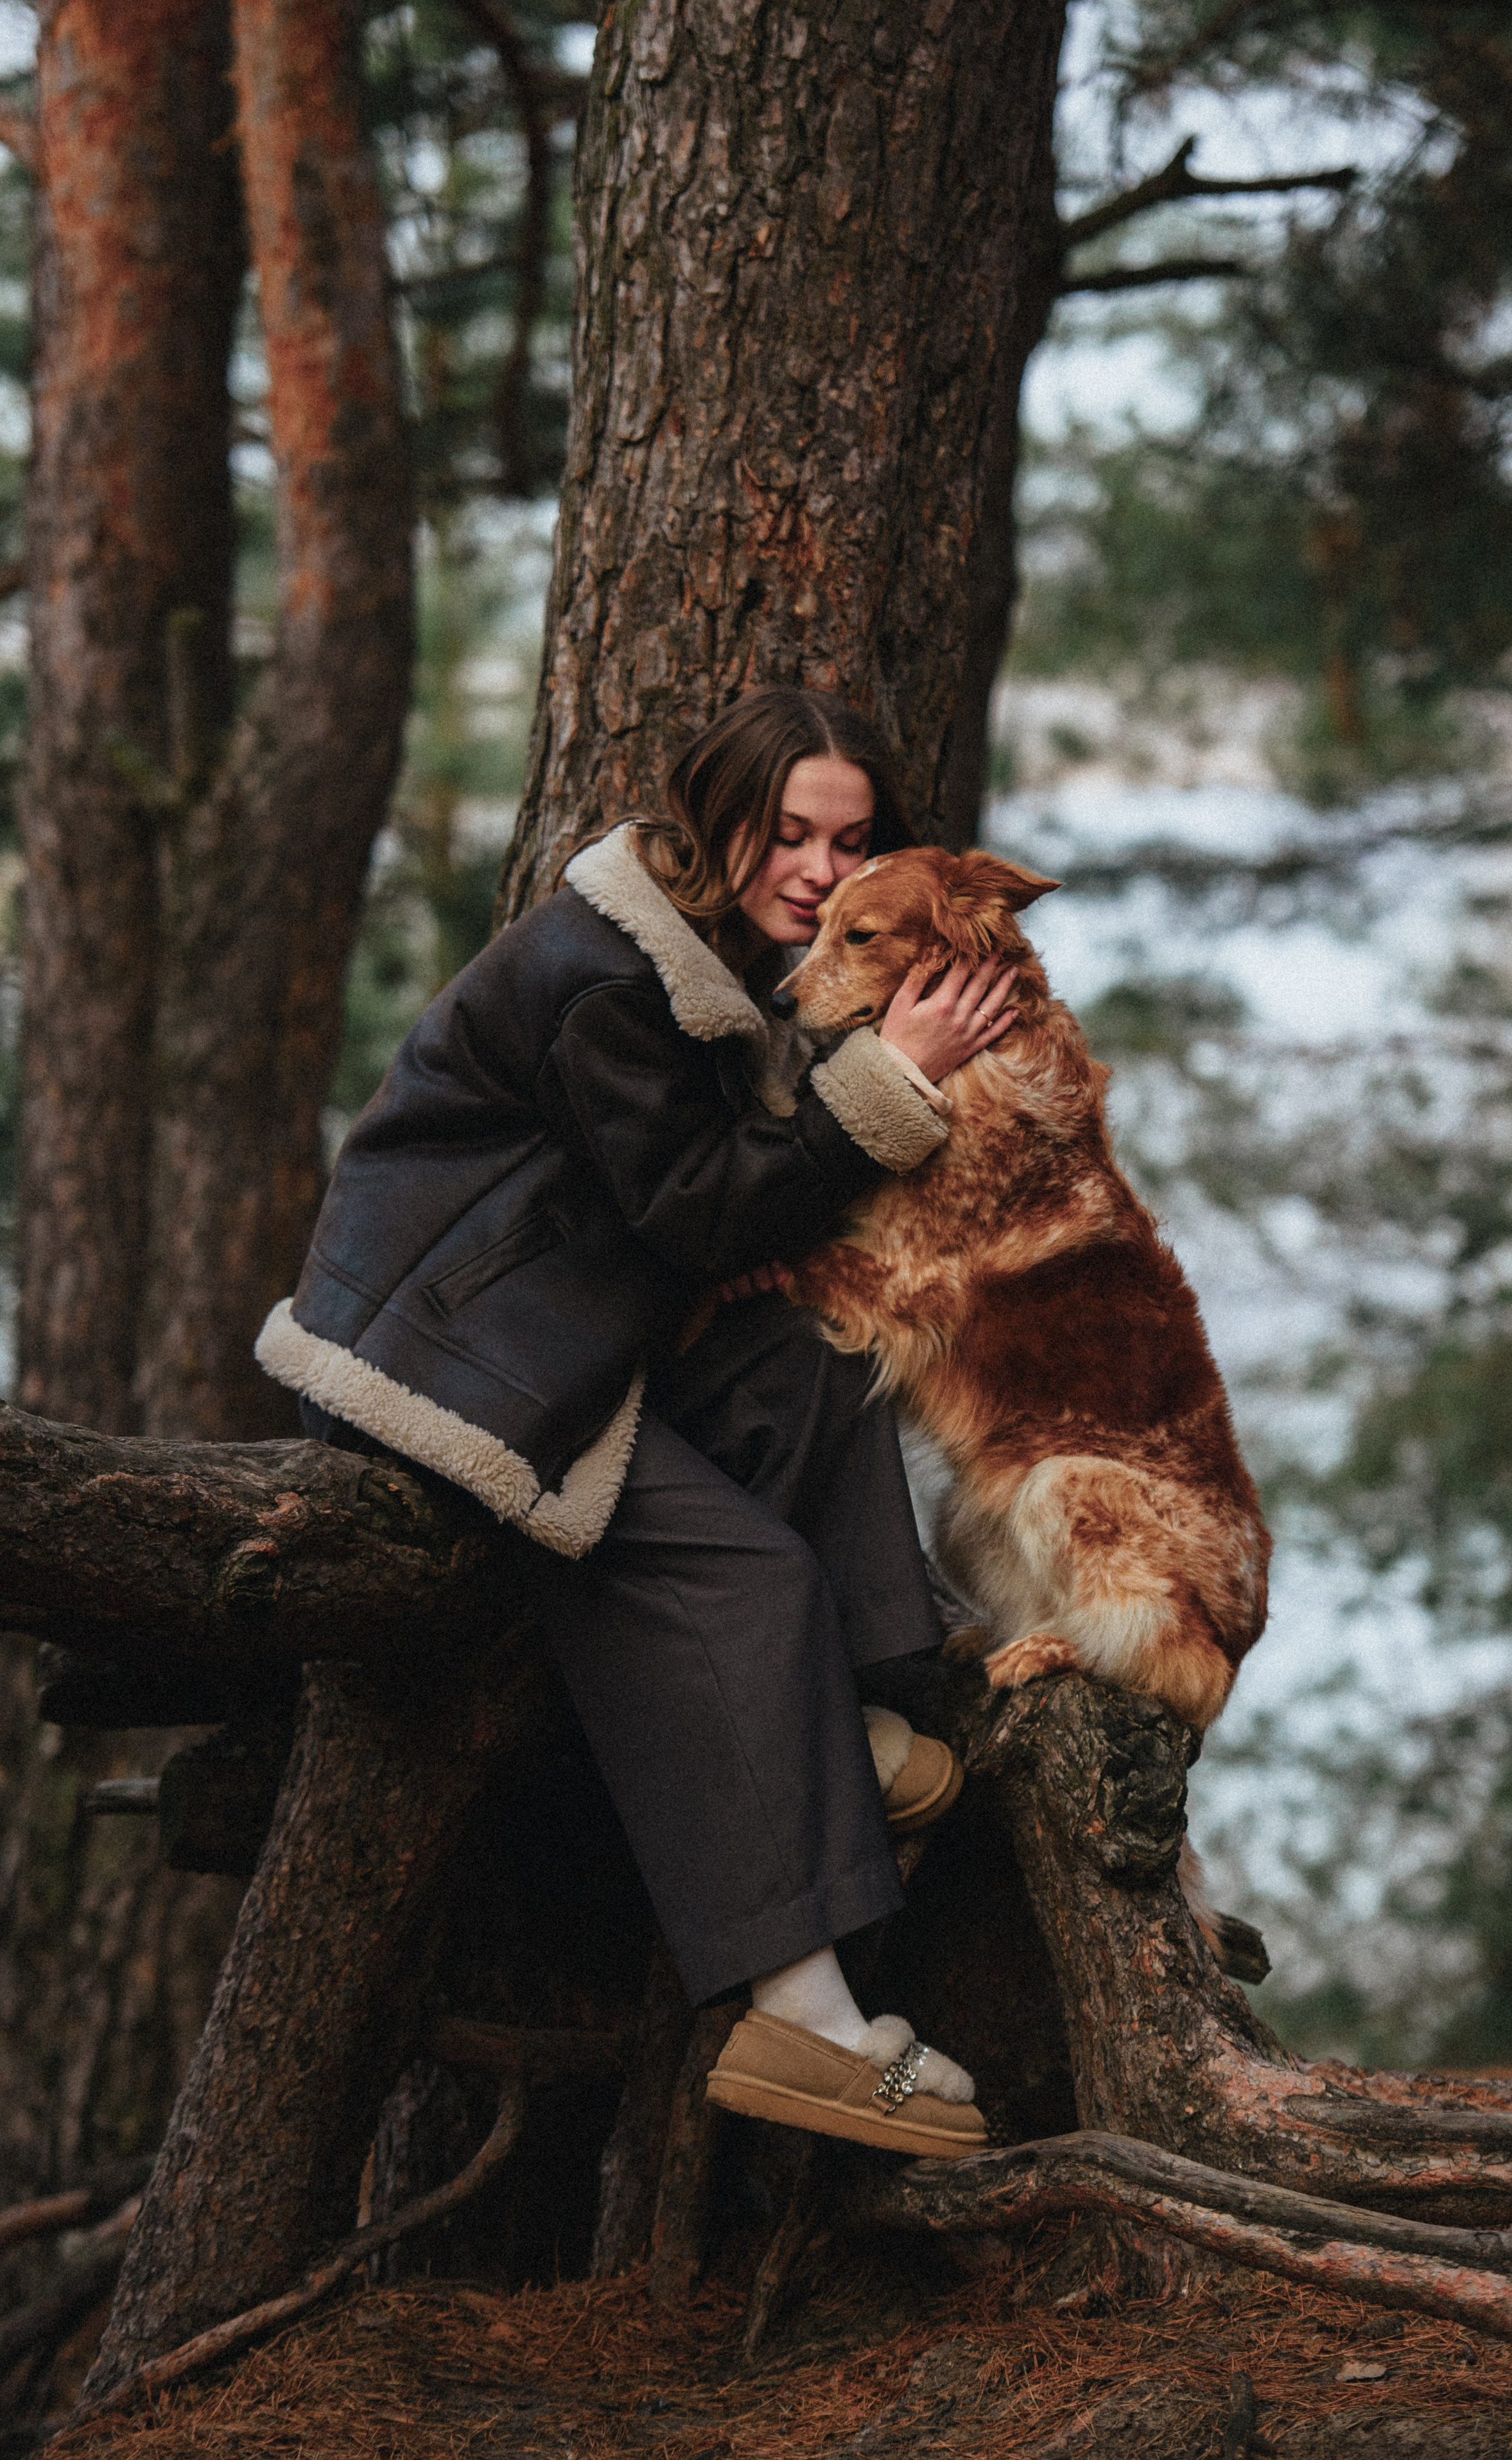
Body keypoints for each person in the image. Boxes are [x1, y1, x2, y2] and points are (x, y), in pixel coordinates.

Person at [256, 685, 1017, 2158]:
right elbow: (692, 1213)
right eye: (785, 830)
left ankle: (847, 1713)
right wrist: (896, 1077)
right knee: (737, 1578)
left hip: (553, 1331)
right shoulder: (611, 973)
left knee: (814, 1351)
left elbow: (716, 1222)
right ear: (714, 814)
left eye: (847, 840)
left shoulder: (720, 965)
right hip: (441, 1370)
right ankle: (797, 2013)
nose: (814, 867)